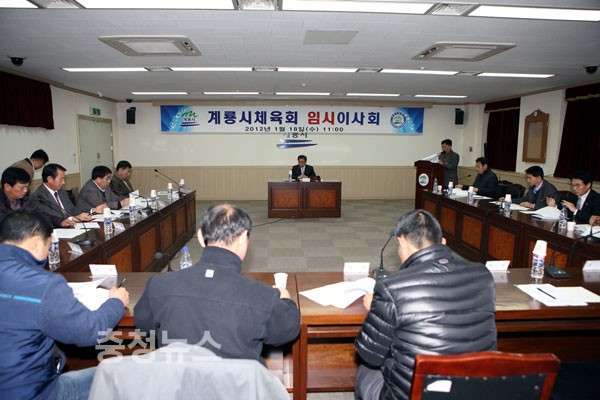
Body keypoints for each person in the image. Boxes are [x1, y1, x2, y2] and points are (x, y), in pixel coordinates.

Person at [354, 209, 497, 400]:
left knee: (365, 371)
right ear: (442, 242)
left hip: (414, 394)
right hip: (472, 389)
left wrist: (374, 310)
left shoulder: (392, 287)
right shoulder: (483, 275)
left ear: (402, 242)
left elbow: (370, 354)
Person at [135, 204, 300, 361]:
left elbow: (145, 327)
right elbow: (286, 331)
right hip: (238, 382)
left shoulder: (158, 286)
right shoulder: (262, 296)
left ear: (200, 237)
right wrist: (286, 300)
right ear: (243, 238)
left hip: (177, 379)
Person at [0, 209, 129, 400]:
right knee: (122, 375)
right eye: (48, 246)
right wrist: (115, 302)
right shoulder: (43, 284)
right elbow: (90, 331)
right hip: (33, 393)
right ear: (36, 243)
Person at [0, 167, 73, 227]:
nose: (25, 191)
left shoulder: (24, 200)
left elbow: (40, 215)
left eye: (27, 187)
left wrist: (60, 221)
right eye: (22, 188)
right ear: (7, 187)